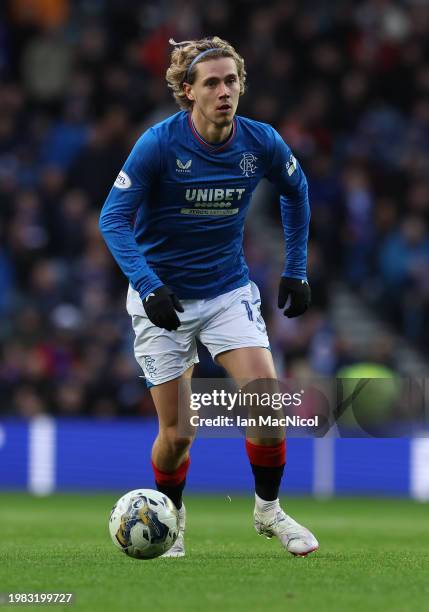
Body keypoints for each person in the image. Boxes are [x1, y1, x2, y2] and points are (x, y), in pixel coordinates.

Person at [99, 36, 318, 557]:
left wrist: (296, 269)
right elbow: (112, 218)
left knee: (265, 398)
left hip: (225, 291)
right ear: (187, 91)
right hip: (165, 298)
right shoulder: (159, 143)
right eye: (213, 82)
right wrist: (148, 284)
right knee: (178, 435)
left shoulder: (260, 141)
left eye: (232, 81)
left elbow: (297, 190)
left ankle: (269, 512)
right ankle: (172, 522)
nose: (225, 91)